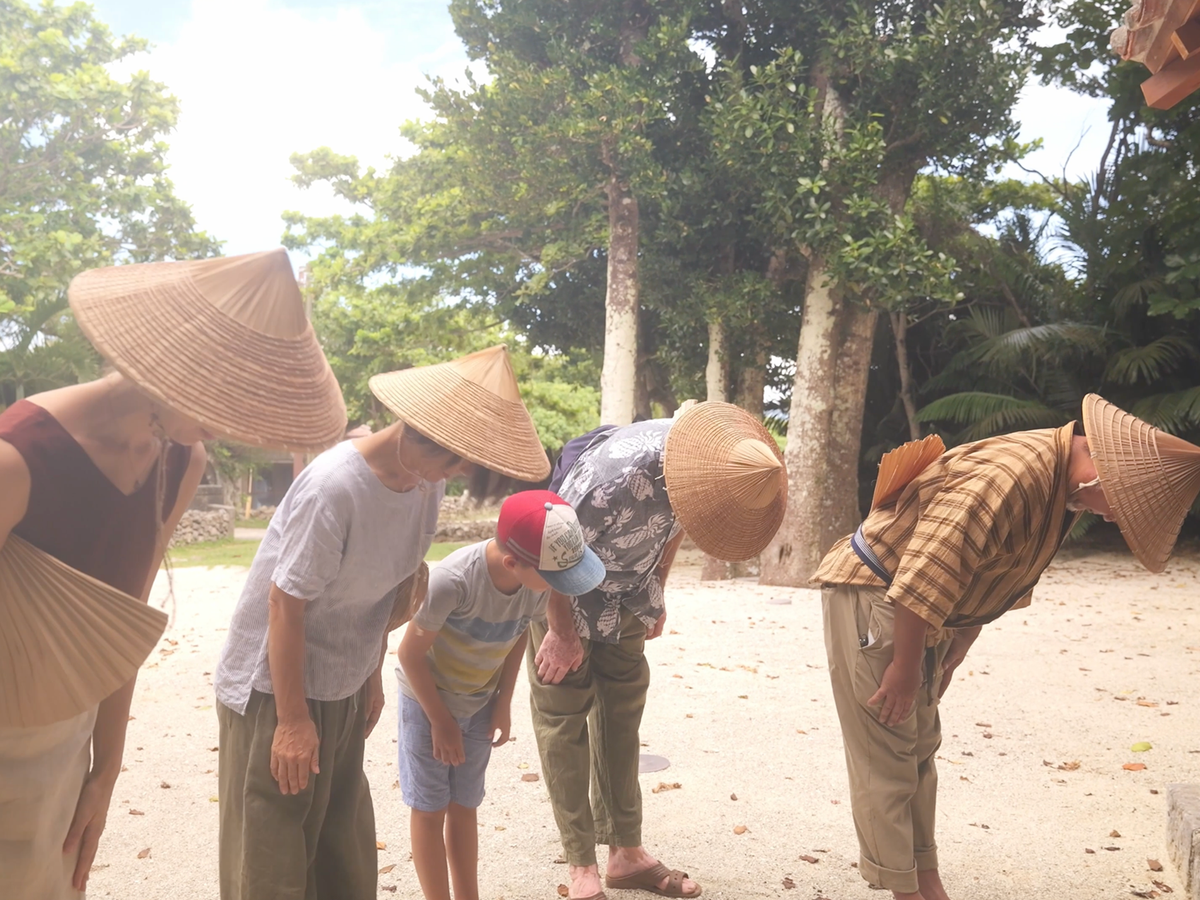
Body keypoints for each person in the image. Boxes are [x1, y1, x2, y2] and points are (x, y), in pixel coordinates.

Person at [0, 248, 345, 900]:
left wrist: (105, 770)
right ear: (177, 369)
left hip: (65, 746)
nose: (233, 423)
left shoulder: (182, 459)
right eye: (226, 400)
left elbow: (117, 632)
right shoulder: (19, 456)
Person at [813, 394, 1200, 900]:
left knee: (920, 749)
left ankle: (925, 878)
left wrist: (961, 641)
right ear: (1104, 475)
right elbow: (925, 570)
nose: (1113, 521)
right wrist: (904, 668)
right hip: (880, 597)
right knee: (885, 752)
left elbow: (999, 569)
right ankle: (903, 889)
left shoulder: (1059, 482)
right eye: (1123, 510)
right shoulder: (1013, 476)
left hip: (925, 615)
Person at [214, 344, 551, 900]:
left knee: (340, 851)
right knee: (273, 858)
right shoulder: (334, 489)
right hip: (275, 687)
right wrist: (292, 720)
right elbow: (284, 605)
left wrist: (368, 676)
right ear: (421, 434)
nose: (457, 474)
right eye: (455, 461)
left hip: (345, 681)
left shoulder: (425, 485)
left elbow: (389, 593)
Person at [530, 401, 788, 900]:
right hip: (564, 591)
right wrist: (559, 630)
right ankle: (581, 863)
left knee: (621, 717)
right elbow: (548, 546)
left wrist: (658, 589)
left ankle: (626, 853)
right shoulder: (612, 479)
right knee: (563, 719)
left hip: (629, 594)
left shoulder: (704, 477)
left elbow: (679, 523)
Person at [397, 489, 606, 900]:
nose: (560, 589)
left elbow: (516, 637)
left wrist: (502, 703)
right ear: (513, 563)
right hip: (427, 704)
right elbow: (409, 655)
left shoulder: (535, 584)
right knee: (429, 807)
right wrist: (440, 721)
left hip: (479, 701)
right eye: (556, 578)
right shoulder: (452, 582)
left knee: (465, 804)